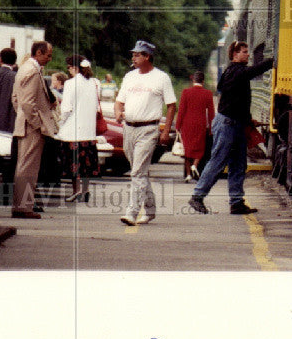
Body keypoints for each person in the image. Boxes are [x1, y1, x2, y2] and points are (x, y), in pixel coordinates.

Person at [188, 41, 273, 215]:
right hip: (228, 124)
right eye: (244, 51)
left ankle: (236, 202)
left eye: (247, 51)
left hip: (235, 124)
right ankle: (197, 196)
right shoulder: (236, 71)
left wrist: (248, 120)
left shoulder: (231, 72)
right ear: (235, 54)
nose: (248, 54)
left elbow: (238, 100)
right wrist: (273, 61)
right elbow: (252, 72)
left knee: (238, 164)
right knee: (218, 161)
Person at [115, 40, 176, 226]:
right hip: (129, 128)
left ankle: (131, 212)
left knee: (138, 172)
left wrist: (165, 131)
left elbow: (171, 105)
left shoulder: (161, 78)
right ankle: (150, 210)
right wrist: (118, 112)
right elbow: (120, 100)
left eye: (137, 54)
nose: (133, 58)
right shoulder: (130, 77)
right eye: (133, 54)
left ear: (147, 56)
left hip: (148, 129)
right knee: (139, 171)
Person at [10, 41, 58, 219]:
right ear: (39, 52)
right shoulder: (32, 71)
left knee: (24, 167)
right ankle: (24, 207)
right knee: (28, 168)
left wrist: (22, 116)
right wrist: (37, 124)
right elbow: (28, 103)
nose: (49, 59)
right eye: (48, 55)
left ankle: (21, 205)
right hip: (31, 127)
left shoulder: (24, 69)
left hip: (25, 124)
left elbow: (16, 99)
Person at [58, 55, 101, 202]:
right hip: (89, 131)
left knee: (74, 164)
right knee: (86, 164)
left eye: (69, 67)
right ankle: (86, 190)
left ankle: (76, 191)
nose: (68, 70)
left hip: (72, 131)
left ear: (74, 67)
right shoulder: (95, 83)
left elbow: (66, 109)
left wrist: (59, 125)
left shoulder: (70, 84)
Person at [175, 71, 215, 182]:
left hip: (187, 124)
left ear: (193, 80)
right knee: (199, 148)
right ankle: (195, 166)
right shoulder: (208, 93)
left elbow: (181, 111)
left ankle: (188, 174)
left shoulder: (186, 92)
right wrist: (211, 128)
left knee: (187, 149)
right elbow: (211, 113)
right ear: (203, 81)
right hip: (200, 124)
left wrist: (178, 126)